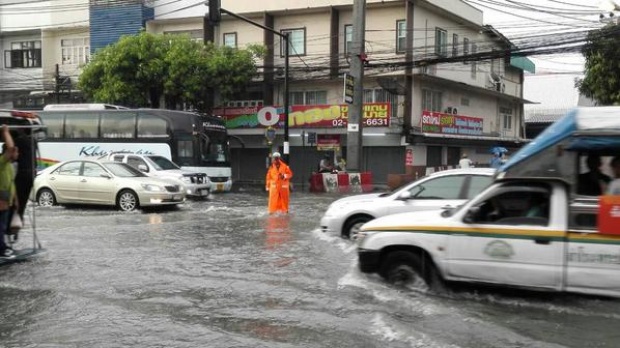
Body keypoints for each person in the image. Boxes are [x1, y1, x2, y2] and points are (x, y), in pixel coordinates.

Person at [0, 125, 18, 258]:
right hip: (1, 200)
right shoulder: (2, 162)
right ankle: (2, 249)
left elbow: (11, 183)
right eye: (15, 152)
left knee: (3, 225)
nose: (17, 153)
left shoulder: (10, 166)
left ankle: (3, 247)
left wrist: (16, 199)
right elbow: (11, 148)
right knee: (0, 226)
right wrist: (5, 132)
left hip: (7, 200)